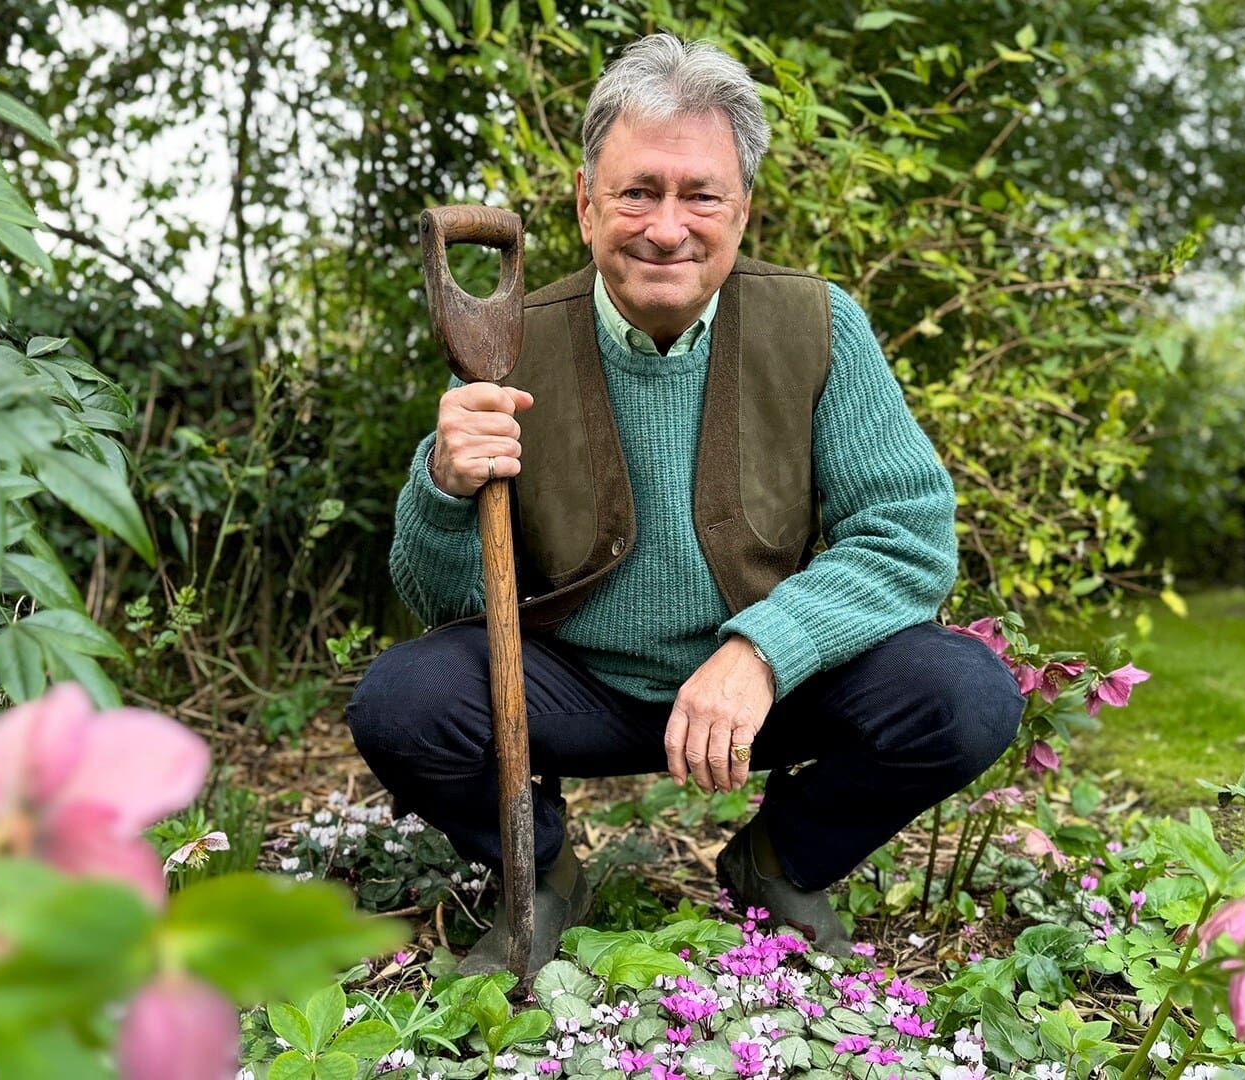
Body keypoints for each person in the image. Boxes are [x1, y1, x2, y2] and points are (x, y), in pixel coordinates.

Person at [346, 33, 1024, 975]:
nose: (668, 227)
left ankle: (780, 864)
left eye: (700, 194)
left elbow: (906, 537)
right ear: (586, 206)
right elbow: (445, 603)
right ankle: (540, 875)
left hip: (765, 689)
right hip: (574, 687)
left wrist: (763, 650)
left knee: (966, 694)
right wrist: (444, 487)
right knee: (402, 701)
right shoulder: (509, 343)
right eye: (637, 192)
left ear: (742, 210)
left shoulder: (819, 326)